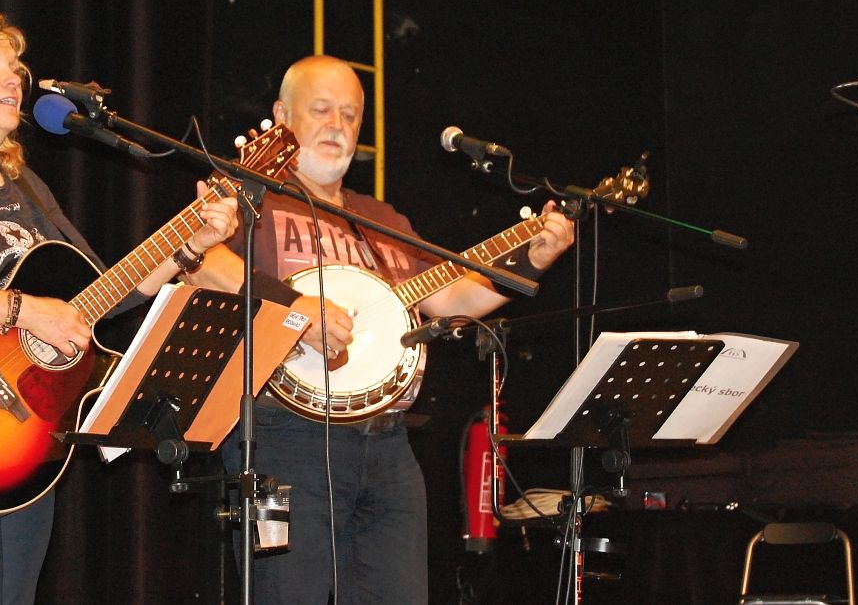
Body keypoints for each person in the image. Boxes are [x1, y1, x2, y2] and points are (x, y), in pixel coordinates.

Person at [0, 13, 239, 605]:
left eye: (15, 67)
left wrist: (190, 244)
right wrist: (25, 310)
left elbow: (104, 294)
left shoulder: (28, 188)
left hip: (25, 437)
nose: (13, 78)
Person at [187, 55, 575, 603]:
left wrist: (532, 261)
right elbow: (202, 263)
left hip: (388, 446)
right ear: (282, 114)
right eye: (321, 110)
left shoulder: (384, 221)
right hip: (285, 436)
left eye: (350, 116)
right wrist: (296, 309)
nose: (337, 126)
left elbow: (450, 299)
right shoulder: (248, 197)